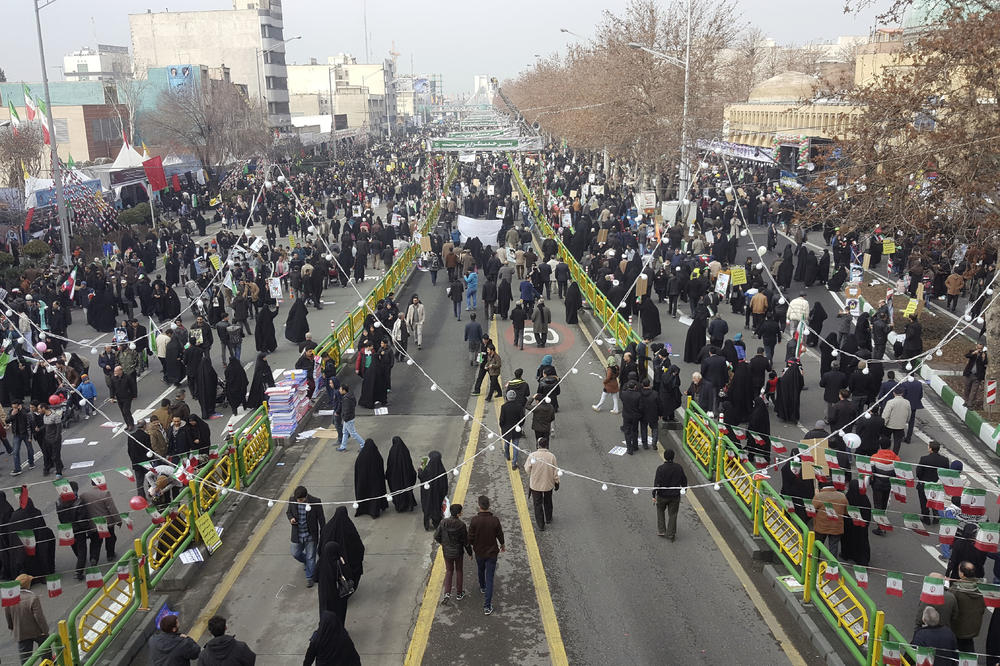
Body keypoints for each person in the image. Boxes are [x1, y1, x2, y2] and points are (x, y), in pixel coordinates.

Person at [468, 495, 505, 616]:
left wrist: (473, 545)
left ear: (479, 506)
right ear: (489, 505)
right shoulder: (494, 520)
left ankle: (482, 586)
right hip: (492, 553)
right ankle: (487, 606)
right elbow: (500, 534)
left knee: (480, 569)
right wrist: (502, 544)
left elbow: (470, 538)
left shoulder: (474, 520)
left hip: (479, 552)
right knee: (490, 577)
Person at [286, 485, 325, 588]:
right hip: (297, 534)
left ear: (306, 497)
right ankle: (307, 563)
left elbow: (321, 518)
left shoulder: (315, 502)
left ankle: (310, 577)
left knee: (311, 556)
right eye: (297, 500)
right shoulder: (292, 500)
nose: (298, 502)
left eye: (301, 500)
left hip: (310, 535)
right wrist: (291, 519)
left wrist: (324, 532)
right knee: (295, 553)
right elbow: (288, 512)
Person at [434, 503, 472, 605]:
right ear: (459, 514)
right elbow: (465, 541)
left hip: (447, 552)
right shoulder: (461, 525)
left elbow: (436, 536)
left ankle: (447, 593)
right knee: (459, 570)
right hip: (458, 552)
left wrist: (444, 544)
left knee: (449, 571)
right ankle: (459, 593)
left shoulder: (443, 522)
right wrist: (470, 553)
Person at [5, 573, 48, 663]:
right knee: (46, 649)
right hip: (37, 630)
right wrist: (45, 630)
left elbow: (8, 616)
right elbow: (39, 617)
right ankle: (47, 663)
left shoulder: (10, 598)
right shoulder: (33, 597)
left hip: (21, 632)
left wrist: (12, 627)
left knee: (25, 658)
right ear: (28, 584)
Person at [79, 478, 122, 564]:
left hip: (93, 523)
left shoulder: (84, 495)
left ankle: (93, 558)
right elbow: (112, 509)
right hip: (107, 523)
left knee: (95, 541)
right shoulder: (105, 493)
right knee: (110, 538)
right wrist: (118, 520)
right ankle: (110, 555)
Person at [652, 448, 688, 540]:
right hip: (674, 496)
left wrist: (654, 495)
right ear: (673, 457)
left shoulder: (660, 468)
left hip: (662, 495)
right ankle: (671, 533)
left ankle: (661, 530)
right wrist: (684, 489)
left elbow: (656, 482)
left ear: (664, 457)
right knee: (673, 514)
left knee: (660, 511)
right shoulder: (678, 468)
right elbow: (684, 480)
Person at [952, 560, 987, 653]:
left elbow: (952, 609)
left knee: (955, 650)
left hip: (958, 628)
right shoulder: (982, 588)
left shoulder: (956, 590)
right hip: (973, 627)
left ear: (962, 574)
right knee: (968, 646)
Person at [524, 437, 558, 531]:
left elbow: (527, 469)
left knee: (537, 504)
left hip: (535, 484)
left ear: (538, 445)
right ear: (546, 445)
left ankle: (541, 525)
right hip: (548, 484)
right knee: (548, 501)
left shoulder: (532, 456)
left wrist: (533, 473)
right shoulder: (551, 456)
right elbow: (555, 471)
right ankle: (548, 518)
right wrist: (557, 482)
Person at [354, 439, 389, 518]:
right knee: (374, 495)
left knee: (365, 495)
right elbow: (380, 468)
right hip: (375, 482)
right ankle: (374, 511)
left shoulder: (361, 457)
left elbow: (357, 471)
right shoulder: (377, 456)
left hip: (363, 482)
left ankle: (364, 509)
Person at [811, 482, 848, 558]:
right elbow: (846, 512)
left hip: (821, 526)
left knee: (818, 543)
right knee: (834, 546)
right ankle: (832, 562)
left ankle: (816, 559)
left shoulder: (819, 496)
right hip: (836, 526)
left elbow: (811, 510)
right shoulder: (842, 496)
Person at [917, 441, 949, 524]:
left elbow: (918, 472)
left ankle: (926, 518)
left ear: (930, 449)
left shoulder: (924, 459)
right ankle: (936, 516)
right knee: (936, 500)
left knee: (924, 502)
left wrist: (922, 479)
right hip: (937, 485)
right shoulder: (945, 460)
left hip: (924, 484)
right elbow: (946, 473)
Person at [385, 436, 418, 512]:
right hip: (406, 475)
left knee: (397, 491)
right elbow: (409, 463)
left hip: (395, 477)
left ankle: (400, 506)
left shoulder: (392, 451)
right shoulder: (405, 450)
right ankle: (409, 503)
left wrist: (388, 474)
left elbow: (390, 464)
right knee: (407, 489)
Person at [418, 450, 448, 531]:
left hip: (427, 494)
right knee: (436, 508)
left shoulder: (426, 470)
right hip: (438, 495)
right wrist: (444, 494)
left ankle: (427, 524)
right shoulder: (442, 471)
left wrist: (421, 467)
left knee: (427, 507)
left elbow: (420, 476)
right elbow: (444, 485)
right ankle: (436, 523)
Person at [499, 390, 526, 470]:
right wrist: (519, 426)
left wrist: (502, 427)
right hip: (516, 429)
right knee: (515, 446)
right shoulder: (519, 406)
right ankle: (514, 463)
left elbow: (501, 419)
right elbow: (522, 419)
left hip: (506, 429)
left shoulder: (504, 407)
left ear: (507, 397)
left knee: (506, 444)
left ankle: (507, 456)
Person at [882, 387, 912, 453]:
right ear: (902, 393)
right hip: (900, 425)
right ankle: (895, 454)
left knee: (886, 439)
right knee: (897, 441)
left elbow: (886, 414)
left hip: (889, 424)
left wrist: (884, 422)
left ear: (894, 393)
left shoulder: (890, 402)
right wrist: (906, 421)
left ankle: (886, 452)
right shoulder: (907, 402)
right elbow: (909, 414)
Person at [336, 384, 365, 452]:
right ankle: (343, 447)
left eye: (340, 389)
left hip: (348, 419)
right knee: (345, 432)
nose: (339, 390)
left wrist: (345, 418)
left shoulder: (346, 399)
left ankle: (363, 444)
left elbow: (347, 410)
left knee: (353, 434)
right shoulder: (350, 396)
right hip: (350, 417)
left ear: (344, 390)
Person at [110, 365, 137, 429]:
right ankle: (127, 424)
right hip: (119, 397)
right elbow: (112, 388)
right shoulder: (113, 378)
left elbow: (133, 386)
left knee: (126, 411)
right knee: (123, 412)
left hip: (127, 397)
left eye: (116, 371)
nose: (114, 372)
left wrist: (134, 395)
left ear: (120, 371)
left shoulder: (127, 377)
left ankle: (131, 424)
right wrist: (112, 397)